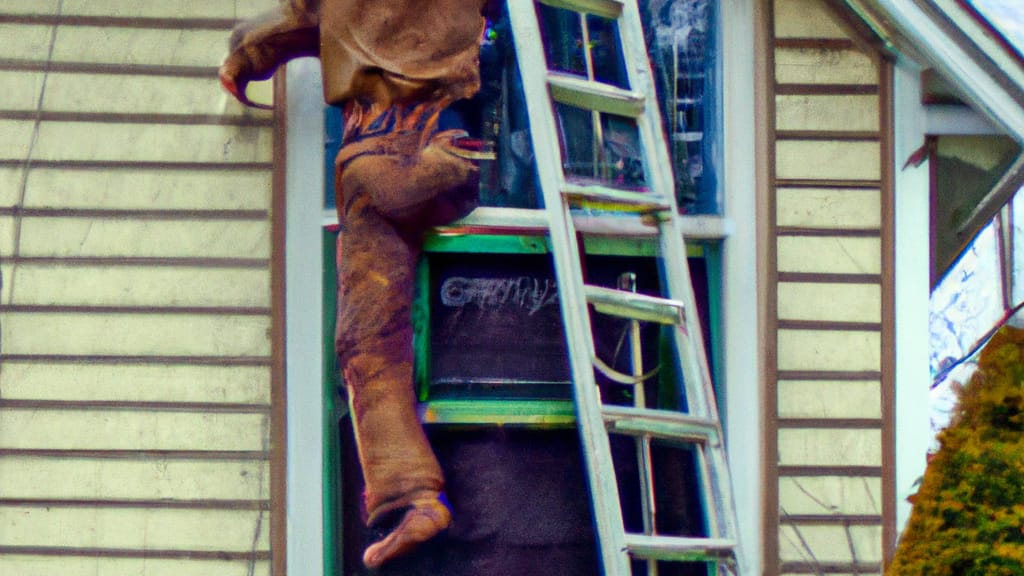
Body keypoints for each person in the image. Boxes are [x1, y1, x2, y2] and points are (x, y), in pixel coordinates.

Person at [219, 0, 490, 567]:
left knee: (368, 342)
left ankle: (412, 492)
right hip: (445, 151)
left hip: (381, 157)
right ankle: (415, 496)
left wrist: (243, 55)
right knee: (367, 341)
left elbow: (283, 27)